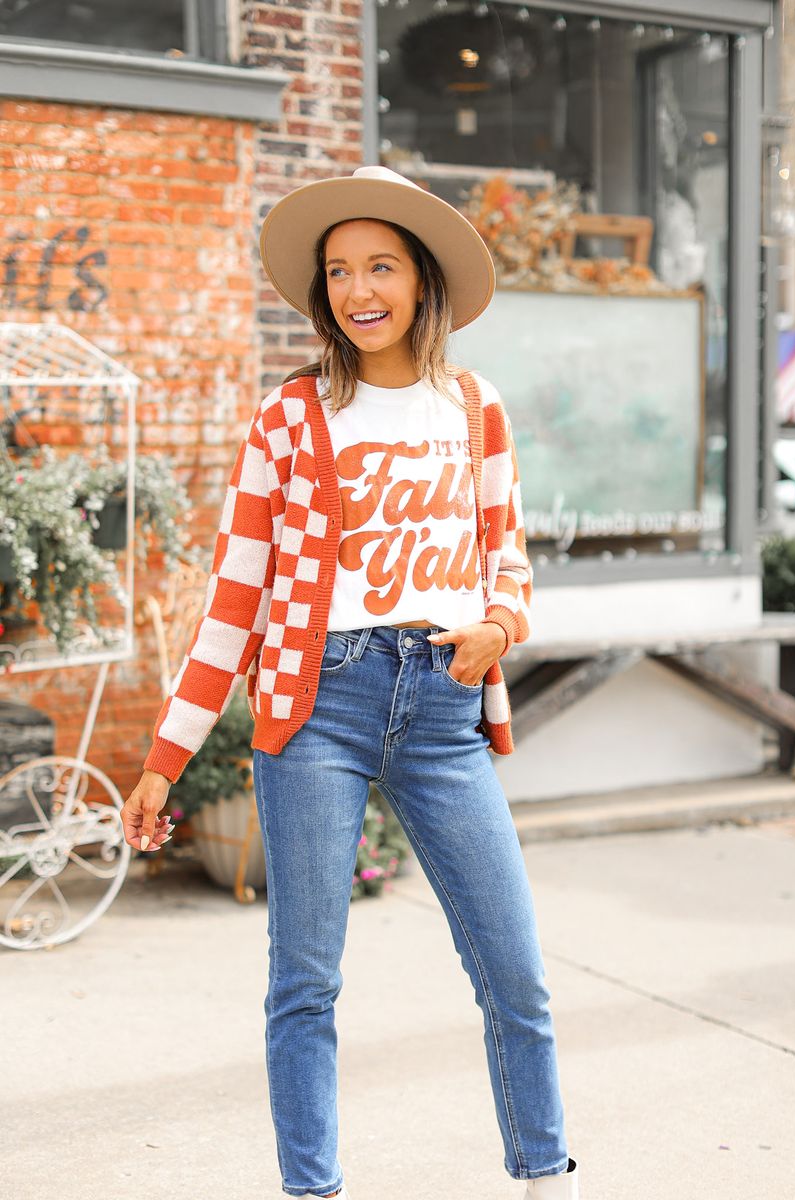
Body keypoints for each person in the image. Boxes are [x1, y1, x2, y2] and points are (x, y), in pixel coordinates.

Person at [121, 164, 580, 1200]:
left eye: (379, 265)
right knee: (305, 984)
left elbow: (506, 554)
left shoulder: (473, 407)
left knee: (515, 974)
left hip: (444, 708)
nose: (357, 289)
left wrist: (497, 624)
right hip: (315, 704)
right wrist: (165, 759)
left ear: (421, 280)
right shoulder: (288, 420)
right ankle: (311, 1190)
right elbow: (234, 599)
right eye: (337, 270)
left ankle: (546, 1178)